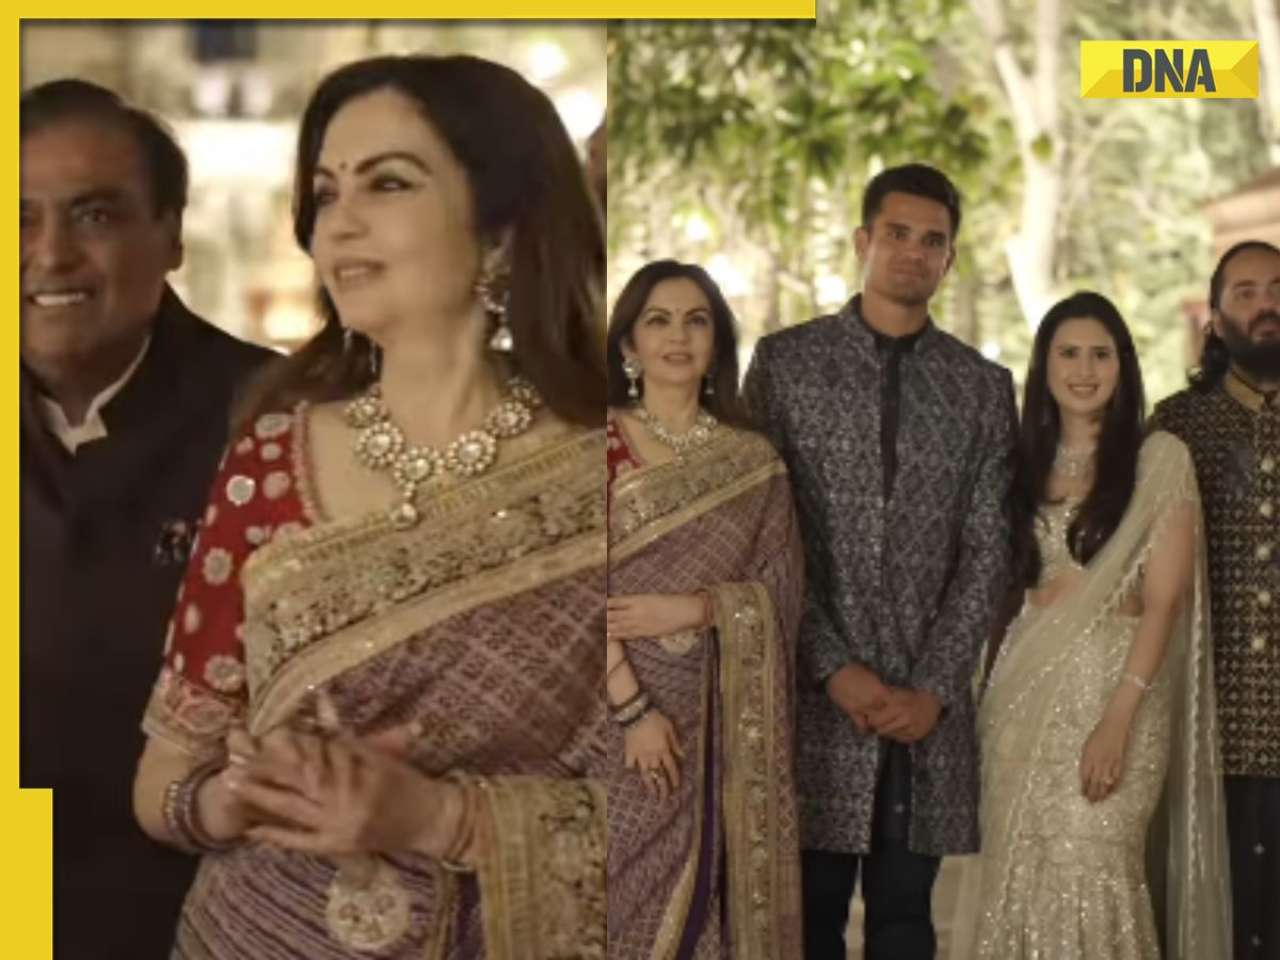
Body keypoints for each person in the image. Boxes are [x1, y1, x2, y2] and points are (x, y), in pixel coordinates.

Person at [131, 53, 607, 959]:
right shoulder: (270, 461)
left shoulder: (617, 477)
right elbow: (163, 781)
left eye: (387, 183)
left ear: (501, 229)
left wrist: (437, 817)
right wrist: (235, 799)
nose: (338, 223)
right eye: (325, 193)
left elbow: (695, 812)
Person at [19, 78, 274, 959]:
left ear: (170, 235)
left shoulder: (276, 420)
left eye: (94, 215)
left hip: (205, 906)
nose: (50, 255)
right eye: (19, 219)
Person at [744, 163, 1016, 960]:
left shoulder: (981, 387)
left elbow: (988, 551)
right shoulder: (786, 365)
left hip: (924, 715)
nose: (913, 252)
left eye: (932, 241)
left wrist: (934, 688)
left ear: (949, 260)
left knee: (904, 923)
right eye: (897, 233)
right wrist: (833, 667)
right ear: (863, 240)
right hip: (812, 701)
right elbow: (763, 535)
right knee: (807, 923)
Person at [967, 291, 1231, 959]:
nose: (1084, 370)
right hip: (1022, 700)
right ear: (1045, 365)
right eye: (1068, 354)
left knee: (1095, 867)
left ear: (1123, 364)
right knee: (1019, 877)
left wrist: (1118, 719)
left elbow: (1165, 602)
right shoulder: (1022, 462)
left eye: (1100, 354)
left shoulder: (1157, 459)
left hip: (1119, 698)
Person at [604, 260, 804, 959]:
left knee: (706, 903)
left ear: (717, 342)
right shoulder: (595, 447)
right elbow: (562, 595)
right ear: (628, 345)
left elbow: (782, 595)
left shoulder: (753, 462)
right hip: (605, 724)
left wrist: (698, 608)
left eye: (696, 321)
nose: (677, 336)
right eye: (657, 320)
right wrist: (633, 712)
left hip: (719, 729)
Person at [1150, 240, 1280, 959]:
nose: (1267, 305)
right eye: (1246, 292)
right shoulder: (1178, 425)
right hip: (1206, 728)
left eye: (1278, 289)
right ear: (1217, 317)